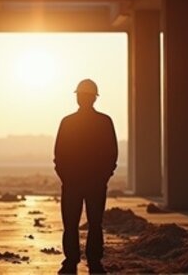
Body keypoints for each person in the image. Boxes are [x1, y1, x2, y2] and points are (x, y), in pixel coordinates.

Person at [54, 79, 118, 274]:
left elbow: (59, 154)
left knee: (74, 223)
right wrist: (103, 176)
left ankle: (73, 260)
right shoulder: (103, 121)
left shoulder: (69, 122)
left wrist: (66, 176)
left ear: (80, 97)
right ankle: (93, 261)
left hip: (78, 182)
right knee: (92, 223)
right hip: (90, 182)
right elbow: (112, 153)